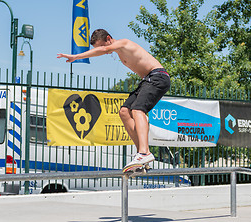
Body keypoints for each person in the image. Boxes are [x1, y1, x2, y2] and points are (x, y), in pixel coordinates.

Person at [57, 29, 170, 169]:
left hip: (158, 76)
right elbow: (105, 49)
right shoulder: (120, 53)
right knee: (124, 112)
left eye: (100, 47)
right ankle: (142, 155)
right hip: (147, 80)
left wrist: (76, 56)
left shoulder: (124, 43)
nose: (103, 51)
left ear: (109, 39)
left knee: (137, 110)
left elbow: (104, 49)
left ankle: (144, 152)